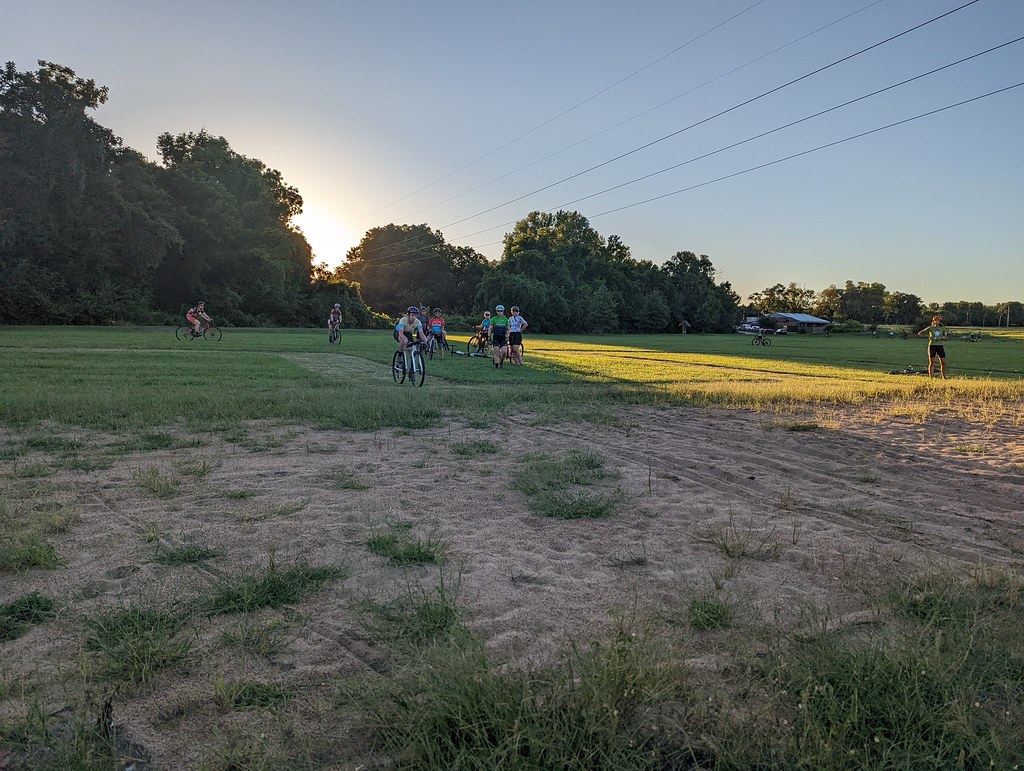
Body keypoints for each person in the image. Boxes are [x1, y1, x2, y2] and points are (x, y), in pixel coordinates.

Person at [917, 315, 947, 379]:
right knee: (932, 362)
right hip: (932, 346)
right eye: (936, 320)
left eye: (938, 320)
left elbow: (946, 338)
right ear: (933, 321)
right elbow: (920, 333)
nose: (937, 322)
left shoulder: (942, 328)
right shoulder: (930, 328)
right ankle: (931, 377)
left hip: (940, 346)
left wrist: (941, 338)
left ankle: (943, 377)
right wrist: (928, 337)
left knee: (943, 362)